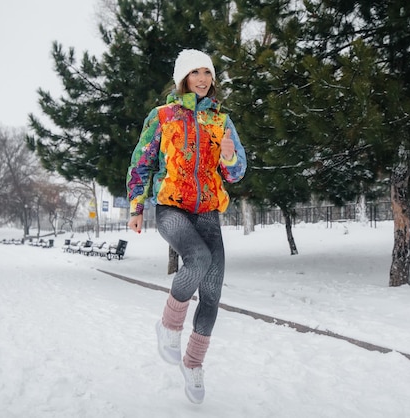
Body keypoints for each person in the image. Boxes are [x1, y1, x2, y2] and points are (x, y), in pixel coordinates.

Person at [126, 49, 247, 404]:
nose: (203, 79)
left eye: (207, 73)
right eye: (195, 73)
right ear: (183, 78)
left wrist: (228, 156)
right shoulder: (163, 116)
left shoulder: (221, 120)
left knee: (212, 294)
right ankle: (169, 324)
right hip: (171, 207)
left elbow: (236, 173)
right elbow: (141, 163)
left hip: (208, 210)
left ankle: (193, 364)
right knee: (197, 259)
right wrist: (136, 207)